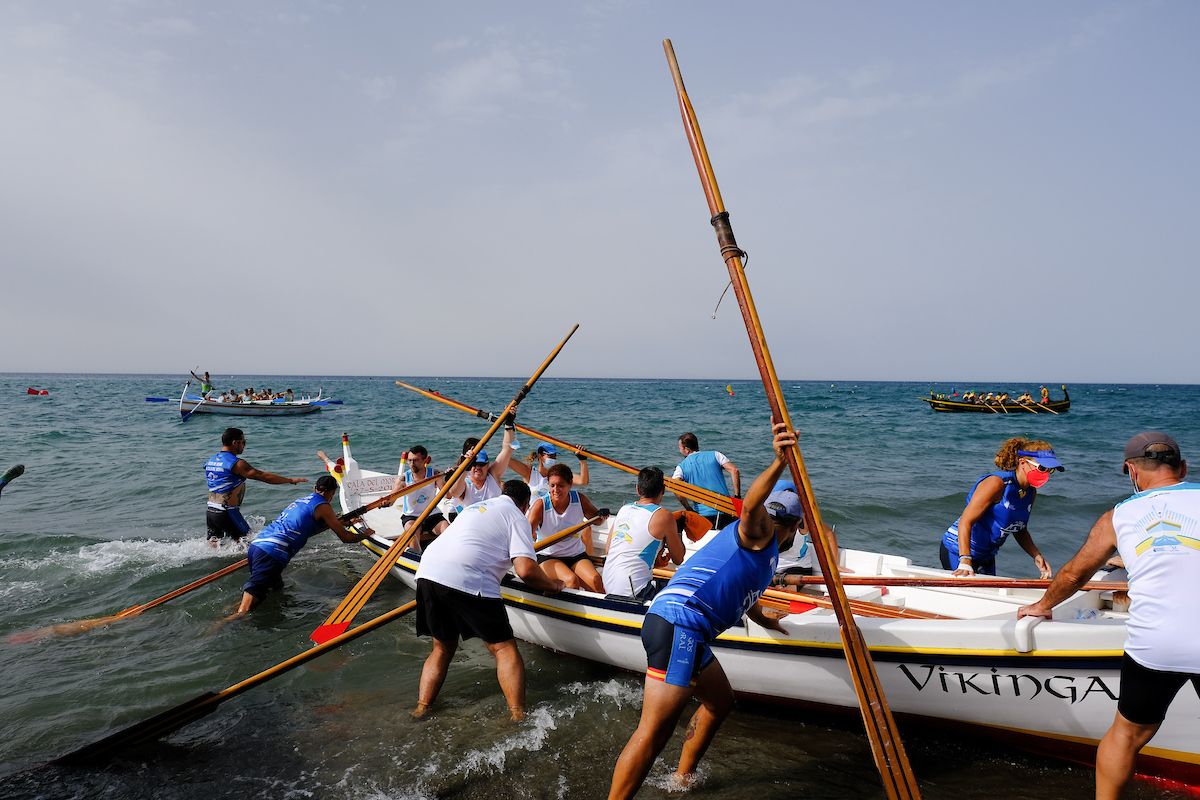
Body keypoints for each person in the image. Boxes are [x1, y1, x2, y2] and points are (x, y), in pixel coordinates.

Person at [609, 423, 803, 798]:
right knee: (654, 732)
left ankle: (681, 778)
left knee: (719, 702)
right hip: (679, 624)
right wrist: (778, 461)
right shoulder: (758, 533)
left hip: (679, 625)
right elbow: (749, 507)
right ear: (795, 525)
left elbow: (741, 589)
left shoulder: (764, 554)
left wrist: (765, 619)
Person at [1018, 433, 1198, 800]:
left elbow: (1072, 575)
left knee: (1127, 735)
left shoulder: (1118, 516)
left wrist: (1042, 605)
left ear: (1130, 471)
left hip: (1156, 647)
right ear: (1183, 468)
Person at [412, 480, 564, 720]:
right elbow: (525, 570)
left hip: (427, 572)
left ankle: (421, 708)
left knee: (441, 648)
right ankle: (517, 715)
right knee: (503, 648)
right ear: (525, 505)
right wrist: (553, 585)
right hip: (467, 577)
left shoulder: (477, 508)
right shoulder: (516, 516)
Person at [229, 475, 373, 617]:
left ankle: (233, 608)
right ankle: (225, 624)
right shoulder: (323, 505)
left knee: (273, 590)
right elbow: (346, 538)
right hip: (273, 552)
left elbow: (309, 527)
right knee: (245, 610)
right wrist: (365, 534)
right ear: (331, 493)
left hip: (258, 546)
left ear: (315, 488)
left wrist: (340, 522)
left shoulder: (301, 501)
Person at [940, 437, 1063, 577]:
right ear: (1023, 463)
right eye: (1042, 468)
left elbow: (1019, 529)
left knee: (987, 596)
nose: (1046, 474)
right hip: (957, 550)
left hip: (986, 555)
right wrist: (965, 560)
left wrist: (1036, 555)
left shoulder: (1030, 492)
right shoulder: (996, 483)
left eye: (1050, 470)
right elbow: (965, 521)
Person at [204, 427, 308, 548]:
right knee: (250, 543)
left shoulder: (211, 460)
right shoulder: (237, 463)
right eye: (243, 442)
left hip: (211, 511)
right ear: (235, 442)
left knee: (215, 545)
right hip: (227, 512)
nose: (244, 445)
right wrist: (290, 480)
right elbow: (263, 476)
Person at [604, 467, 685, 599]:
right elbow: (678, 558)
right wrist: (679, 531)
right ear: (663, 491)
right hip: (634, 591)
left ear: (637, 489)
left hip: (608, 583)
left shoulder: (623, 509)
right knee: (686, 588)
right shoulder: (664, 516)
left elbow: (608, 550)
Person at [527, 463, 608, 592]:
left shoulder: (579, 500)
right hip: (548, 556)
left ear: (570, 484)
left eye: (560, 485)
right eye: (552, 485)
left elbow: (597, 521)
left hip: (576, 555)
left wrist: (602, 516)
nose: (555, 490)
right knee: (571, 581)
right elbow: (525, 535)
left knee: (596, 580)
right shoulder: (540, 505)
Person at [672, 432, 741, 529]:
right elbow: (735, 470)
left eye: (680, 447)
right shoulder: (716, 455)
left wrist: (687, 507)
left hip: (703, 515)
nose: (679, 450)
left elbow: (675, 487)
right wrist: (737, 497)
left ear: (686, 449)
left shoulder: (681, 467)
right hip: (726, 509)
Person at [392, 445, 448, 549]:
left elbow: (448, 495)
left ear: (425, 460)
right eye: (409, 461)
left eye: (415, 460)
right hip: (411, 516)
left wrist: (447, 478)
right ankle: (416, 558)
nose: (412, 464)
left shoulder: (435, 475)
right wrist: (384, 502)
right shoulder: (403, 479)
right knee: (412, 531)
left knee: (447, 529)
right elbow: (391, 501)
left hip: (431, 514)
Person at [449, 425, 517, 509]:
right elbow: (454, 493)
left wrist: (509, 426)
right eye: (474, 464)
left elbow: (507, 449)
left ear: (488, 465)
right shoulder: (464, 482)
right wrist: (465, 468)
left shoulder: (493, 475)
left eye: (481, 464)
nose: (478, 467)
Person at [509, 443, 589, 496]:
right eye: (550, 456)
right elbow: (507, 460)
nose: (553, 459)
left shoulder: (560, 474)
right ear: (540, 456)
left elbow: (583, 481)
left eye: (554, 456)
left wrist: (583, 460)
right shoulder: (530, 473)